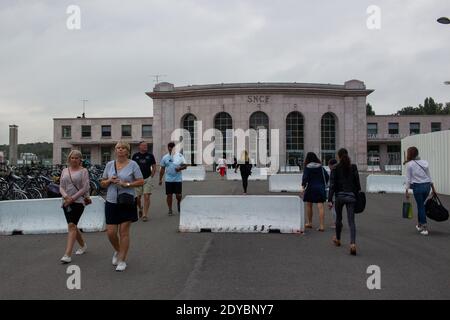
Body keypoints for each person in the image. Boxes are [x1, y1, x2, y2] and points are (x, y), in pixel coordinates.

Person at [100, 141, 144, 272]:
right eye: (118, 148)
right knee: (111, 233)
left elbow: (141, 181)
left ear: (127, 151)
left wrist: (127, 184)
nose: (119, 150)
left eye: (122, 148)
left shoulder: (133, 164)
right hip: (111, 201)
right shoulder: (109, 165)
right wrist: (109, 181)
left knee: (123, 232)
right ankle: (118, 250)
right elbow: (102, 183)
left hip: (127, 201)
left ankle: (122, 260)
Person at [327, 148, 361, 255]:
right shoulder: (353, 167)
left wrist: (329, 199)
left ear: (338, 156)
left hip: (339, 196)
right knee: (351, 221)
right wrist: (355, 194)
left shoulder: (335, 168)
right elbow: (358, 184)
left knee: (339, 218)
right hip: (351, 196)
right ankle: (353, 244)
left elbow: (332, 185)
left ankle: (338, 239)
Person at [59, 150, 90, 264]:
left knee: (71, 225)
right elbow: (61, 187)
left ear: (80, 159)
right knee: (73, 226)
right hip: (66, 202)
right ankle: (83, 245)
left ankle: (67, 254)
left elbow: (85, 188)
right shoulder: (64, 170)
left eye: (77, 158)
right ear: (69, 159)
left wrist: (72, 198)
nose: (74, 160)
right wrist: (66, 197)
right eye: (72, 157)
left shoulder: (84, 171)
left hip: (78, 202)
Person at [404, 146, 437, 236]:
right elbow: (429, 176)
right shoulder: (424, 162)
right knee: (421, 205)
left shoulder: (410, 164)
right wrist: (433, 188)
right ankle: (419, 224)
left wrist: (406, 191)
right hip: (427, 187)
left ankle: (424, 228)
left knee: (420, 206)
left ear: (410, 154)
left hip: (418, 187)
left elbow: (408, 179)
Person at [301, 152, 329, 231]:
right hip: (320, 188)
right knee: (320, 206)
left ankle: (310, 223)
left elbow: (305, 178)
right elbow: (327, 176)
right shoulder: (321, 167)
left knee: (309, 205)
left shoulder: (307, 167)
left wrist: (303, 186)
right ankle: (322, 226)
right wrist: (323, 184)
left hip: (311, 188)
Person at [159, 142, 187, 215]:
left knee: (178, 195)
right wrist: (160, 179)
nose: (171, 148)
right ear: (168, 148)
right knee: (169, 195)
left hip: (178, 179)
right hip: (169, 179)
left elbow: (185, 166)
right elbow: (162, 169)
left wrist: (180, 168)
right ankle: (170, 209)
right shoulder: (165, 157)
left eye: (172, 147)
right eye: (170, 147)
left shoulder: (180, 156)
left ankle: (178, 202)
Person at [132, 141, 156, 222]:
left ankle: (145, 214)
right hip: (137, 179)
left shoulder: (150, 156)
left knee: (146, 196)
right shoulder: (135, 156)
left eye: (146, 145)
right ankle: (140, 208)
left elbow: (154, 166)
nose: (145, 146)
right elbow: (132, 167)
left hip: (147, 178)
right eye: (143, 145)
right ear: (140, 147)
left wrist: (151, 176)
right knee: (137, 198)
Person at [328, 158, 338, 228]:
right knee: (338, 209)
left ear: (331, 165)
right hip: (343, 192)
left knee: (333, 208)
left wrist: (329, 199)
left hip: (335, 192)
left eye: (329, 166)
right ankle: (339, 222)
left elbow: (332, 186)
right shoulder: (341, 169)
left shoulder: (333, 171)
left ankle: (336, 223)